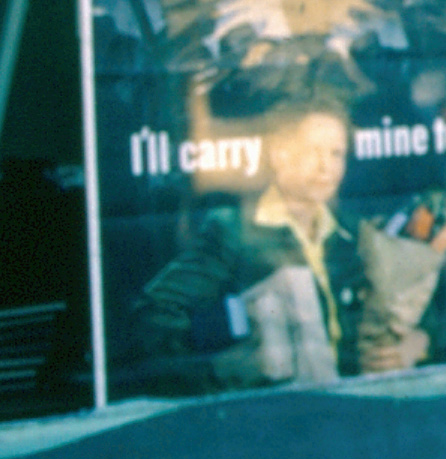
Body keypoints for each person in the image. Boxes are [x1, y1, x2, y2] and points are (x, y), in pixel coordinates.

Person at [133, 101, 370, 388]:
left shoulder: (352, 232)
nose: (326, 167)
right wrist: (224, 367)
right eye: (313, 151)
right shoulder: (234, 231)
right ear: (279, 155)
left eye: (337, 154)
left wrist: (418, 344)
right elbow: (153, 316)